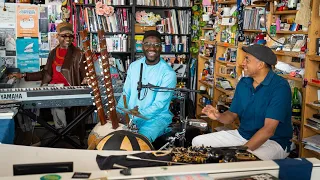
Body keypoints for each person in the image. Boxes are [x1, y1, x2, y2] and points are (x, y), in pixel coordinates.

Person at [192, 44, 293, 160]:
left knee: (242, 160)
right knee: (197, 142)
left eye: (247, 60)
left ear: (260, 65)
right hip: (243, 135)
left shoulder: (280, 87)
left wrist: (240, 151)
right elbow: (231, 115)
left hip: (273, 141)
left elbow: (268, 130)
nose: (242, 63)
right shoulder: (244, 83)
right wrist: (218, 116)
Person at [10, 22, 87, 136]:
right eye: (64, 36)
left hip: (68, 90)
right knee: (21, 102)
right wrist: (24, 75)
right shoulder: (53, 53)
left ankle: (62, 133)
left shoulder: (79, 54)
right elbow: (45, 73)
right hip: (51, 87)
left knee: (56, 103)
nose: (68, 39)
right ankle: (27, 134)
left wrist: (86, 79)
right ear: (57, 36)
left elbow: (86, 74)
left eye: (70, 36)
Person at [116, 30, 177, 142]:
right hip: (130, 116)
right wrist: (118, 112)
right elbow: (126, 93)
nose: (152, 48)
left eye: (156, 44)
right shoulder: (134, 66)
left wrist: (131, 117)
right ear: (142, 46)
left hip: (155, 119)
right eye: (147, 44)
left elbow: (159, 105)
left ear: (161, 47)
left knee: (139, 142)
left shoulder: (168, 74)